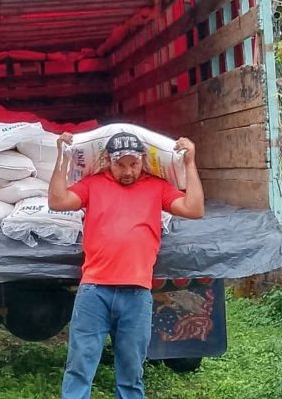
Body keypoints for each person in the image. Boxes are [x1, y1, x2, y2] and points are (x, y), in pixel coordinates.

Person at [48, 131, 205, 399]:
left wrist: (190, 163)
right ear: (108, 160)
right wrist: (62, 157)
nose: (128, 171)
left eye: (134, 164)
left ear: (144, 160)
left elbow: (194, 208)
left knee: (132, 374)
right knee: (79, 366)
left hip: (136, 293)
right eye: (120, 164)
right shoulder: (93, 184)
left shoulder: (157, 187)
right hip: (94, 291)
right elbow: (57, 201)